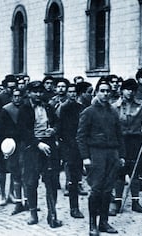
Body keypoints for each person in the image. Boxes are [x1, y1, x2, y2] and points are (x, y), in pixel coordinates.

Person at [76, 77, 125, 235]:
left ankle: (104, 222)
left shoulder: (113, 111)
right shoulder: (88, 112)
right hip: (96, 153)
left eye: (107, 91)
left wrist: (121, 156)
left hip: (112, 154)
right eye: (102, 91)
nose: (105, 94)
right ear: (96, 92)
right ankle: (92, 224)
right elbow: (80, 137)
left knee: (107, 190)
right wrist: (85, 157)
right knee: (96, 190)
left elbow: (119, 135)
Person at [18, 81, 62, 228]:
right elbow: (23, 131)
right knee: (31, 182)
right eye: (35, 92)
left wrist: (53, 130)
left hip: (48, 147)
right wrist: (38, 143)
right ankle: (33, 213)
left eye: (40, 92)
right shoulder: (24, 109)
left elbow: (57, 123)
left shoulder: (48, 107)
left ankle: (52, 214)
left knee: (51, 181)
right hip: (32, 148)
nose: (38, 94)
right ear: (29, 93)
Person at [109, 79, 142, 215]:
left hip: (136, 141)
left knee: (135, 172)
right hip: (120, 142)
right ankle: (117, 201)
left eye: (133, 89)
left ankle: (136, 201)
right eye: (127, 89)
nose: (130, 92)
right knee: (119, 172)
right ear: (122, 90)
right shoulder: (114, 107)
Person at [57, 83, 85, 218]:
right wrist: (63, 147)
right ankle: (74, 208)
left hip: (81, 146)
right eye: (70, 92)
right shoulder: (63, 108)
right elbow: (59, 128)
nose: (73, 94)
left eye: (75, 92)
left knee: (80, 175)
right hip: (69, 147)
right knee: (72, 179)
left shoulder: (81, 108)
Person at [0, 88, 26, 215]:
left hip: (25, 143)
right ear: (12, 97)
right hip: (12, 144)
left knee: (26, 172)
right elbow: (2, 128)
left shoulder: (26, 108)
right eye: (15, 96)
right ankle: (17, 201)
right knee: (15, 171)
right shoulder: (6, 110)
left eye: (19, 96)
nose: (17, 98)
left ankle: (28, 201)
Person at [0, 74, 18, 198]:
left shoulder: (20, 99)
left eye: (14, 87)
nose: (12, 90)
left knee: (14, 167)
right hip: (2, 137)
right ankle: (3, 194)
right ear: (5, 87)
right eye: (10, 88)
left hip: (16, 137)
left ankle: (12, 192)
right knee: (2, 167)